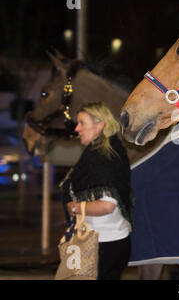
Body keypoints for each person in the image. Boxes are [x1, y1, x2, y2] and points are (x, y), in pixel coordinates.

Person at [60, 102, 134, 280]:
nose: (77, 129)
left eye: (82, 123)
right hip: (108, 240)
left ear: (100, 125)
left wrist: (74, 208)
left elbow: (107, 206)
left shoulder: (102, 157)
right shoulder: (107, 151)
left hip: (102, 244)